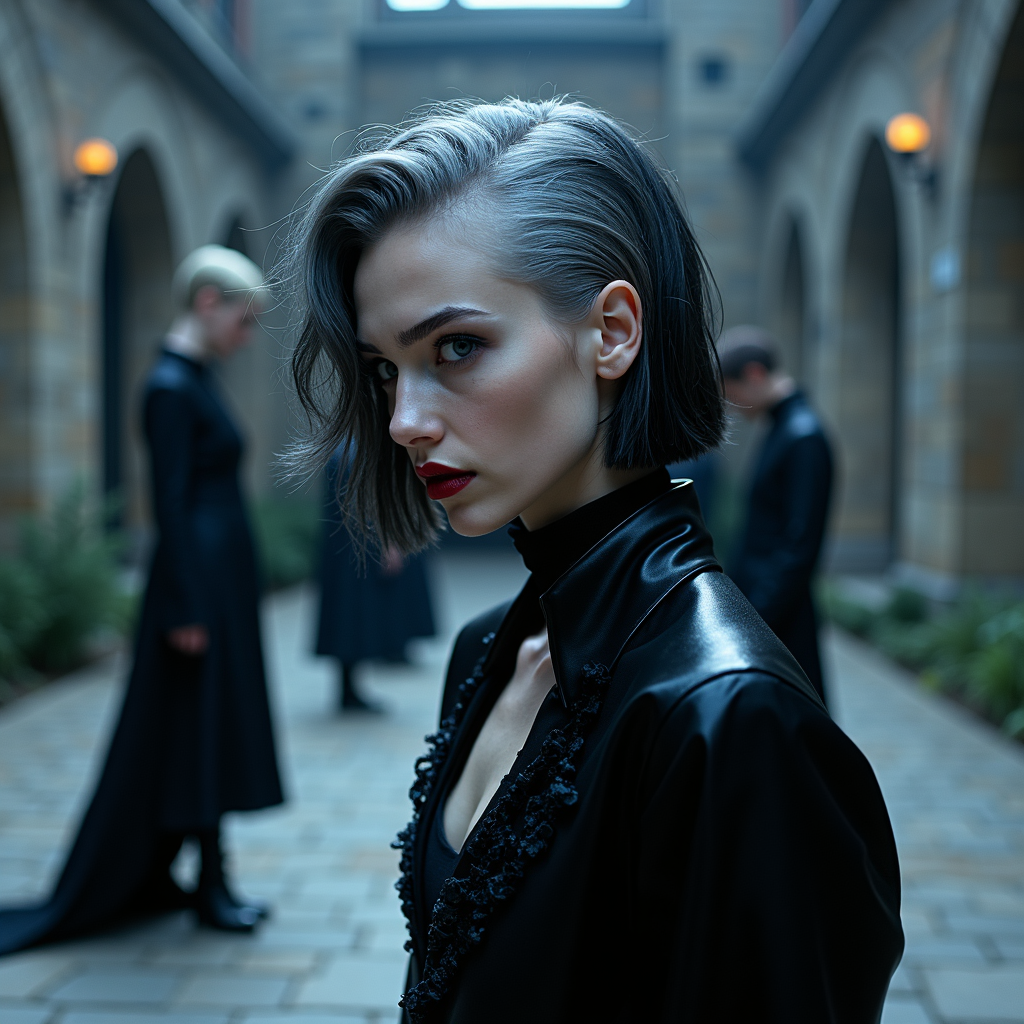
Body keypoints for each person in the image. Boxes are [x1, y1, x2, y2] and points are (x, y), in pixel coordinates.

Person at [288, 99, 903, 1023]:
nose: (404, 420)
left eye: (457, 347)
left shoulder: (730, 719)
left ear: (612, 331)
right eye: (384, 368)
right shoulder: (491, 646)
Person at [0, 245, 283, 953]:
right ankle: (211, 884)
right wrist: (187, 606)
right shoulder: (169, 387)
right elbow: (172, 506)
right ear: (209, 303)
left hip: (214, 585)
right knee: (197, 727)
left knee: (200, 725)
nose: (247, 337)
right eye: (244, 321)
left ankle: (181, 875)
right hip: (194, 592)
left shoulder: (194, 379)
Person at [720, 325, 834, 704]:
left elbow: (799, 543)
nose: (735, 408)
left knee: (796, 719)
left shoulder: (803, 436)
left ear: (754, 374)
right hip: (769, 604)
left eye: (734, 396)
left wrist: (760, 617)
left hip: (780, 611)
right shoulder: (785, 429)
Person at [315, 446, 436, 712]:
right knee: (352, 616)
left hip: (344, 550)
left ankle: (349, 687)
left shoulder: (343, 451)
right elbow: (369, 501)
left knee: (347, 617)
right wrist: (388, 542)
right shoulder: (355, 452)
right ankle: (348, 689)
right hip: (355, 550)